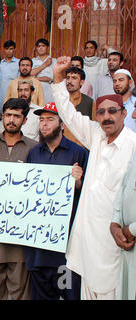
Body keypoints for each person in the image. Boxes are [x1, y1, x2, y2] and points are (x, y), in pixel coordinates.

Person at [51, 56, 136, 299]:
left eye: (112, 111)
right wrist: (58, 79)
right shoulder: (96, 135)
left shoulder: (133, 146)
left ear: (123, 113)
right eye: (101, 112)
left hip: (115, 244)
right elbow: (68, 114)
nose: (106, 117)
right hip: (86, 242)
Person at [25, 102, 89, 300]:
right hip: (38, 251)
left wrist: (78, 183)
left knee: (69, 295)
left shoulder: (78, 153)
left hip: (66, 253)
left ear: (62, 124)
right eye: (41, 120)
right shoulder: (34, 153)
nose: (44, 125)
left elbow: (89, 195)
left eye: (50, 120)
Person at [0, 98, 37, 300]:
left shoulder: (34, 148)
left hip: (20, 234)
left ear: (25, 120)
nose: (11, 120)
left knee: (20, 293)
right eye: (8, 115)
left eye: (17, 116)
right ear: (2, 117)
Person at [110, 106, 136, 299]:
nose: (133, 115)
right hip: (128, 245)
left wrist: (132, 229)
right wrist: (115, 222)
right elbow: (125, 186)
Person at [64, 67, 96, 147]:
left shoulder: (90, 102)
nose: (69, 81)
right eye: (68, 78)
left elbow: (94, 128)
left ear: (82, 82)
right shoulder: (61, 101)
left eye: (74, 78)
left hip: (83, 147)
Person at [0, 40, 20, 113]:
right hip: (0, 95)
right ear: (4, 50)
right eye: (7, 49)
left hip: (13, 95)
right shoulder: (0, 63)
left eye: (11, 49)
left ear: (14, 50)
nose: (9, 51)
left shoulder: (18, 63)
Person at [31, 38, 57, 104]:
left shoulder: (53, 61)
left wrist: (36, 78)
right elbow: (30, 74)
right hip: (35, 88)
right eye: (39, 46)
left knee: (48, 109)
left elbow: (52, 77)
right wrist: (45, 64)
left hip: (49, 89)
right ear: (36, 48)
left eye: (43, 46)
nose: (41, 48)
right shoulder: (33, 61)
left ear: (47, 47)